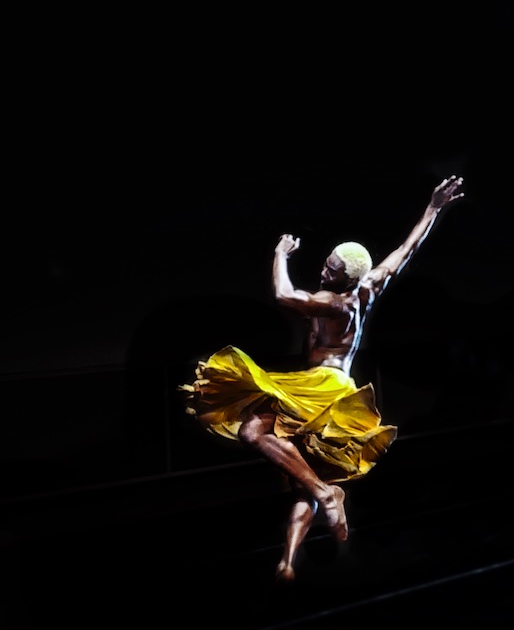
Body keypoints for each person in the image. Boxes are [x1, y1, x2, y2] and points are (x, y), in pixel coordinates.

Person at [179, 175, 465, 582]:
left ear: (345, 278)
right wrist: (434, 208)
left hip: (324, 384)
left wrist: (280, 254)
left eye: (331, 270)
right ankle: (289, 560)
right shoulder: (370, 284)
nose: (323, 270)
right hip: (331, 385)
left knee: (251, 433)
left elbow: (283, 295)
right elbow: (406, 250)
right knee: (303, 474)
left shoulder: (338, 302)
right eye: (326, 263)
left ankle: (325, 494)